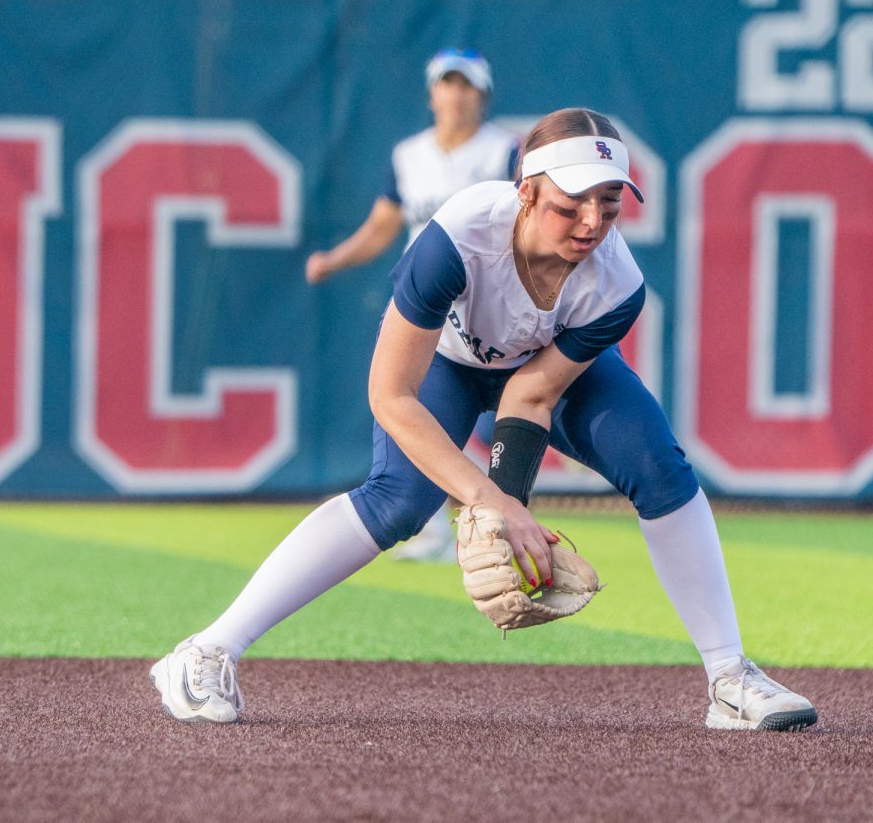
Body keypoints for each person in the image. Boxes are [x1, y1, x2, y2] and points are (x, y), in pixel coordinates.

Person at [151, 108, 818, 732]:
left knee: (658, 464)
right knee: (397, 502)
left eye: (608, 203)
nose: (591, 222)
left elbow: (529, 396)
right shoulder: (458, 237)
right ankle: (206, 651)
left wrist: (508, 510)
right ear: (525, 191)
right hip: (443, 365)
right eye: (571, 203)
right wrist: (484, 497)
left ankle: (730, 678)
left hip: (528, 371)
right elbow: (391, 397)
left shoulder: (616, 286)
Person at [305, 46, 519, 562]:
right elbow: (383, 227)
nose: (456, 93)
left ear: (483, 96)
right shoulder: (409, 155)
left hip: (489, 303)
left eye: (467, 84)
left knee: (498, 421)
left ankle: (475, 520)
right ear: (432, 93)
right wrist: (335, 259)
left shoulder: (503, 151)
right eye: (448, 82)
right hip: (423, 305)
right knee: (418, 412)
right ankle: (442, 528)